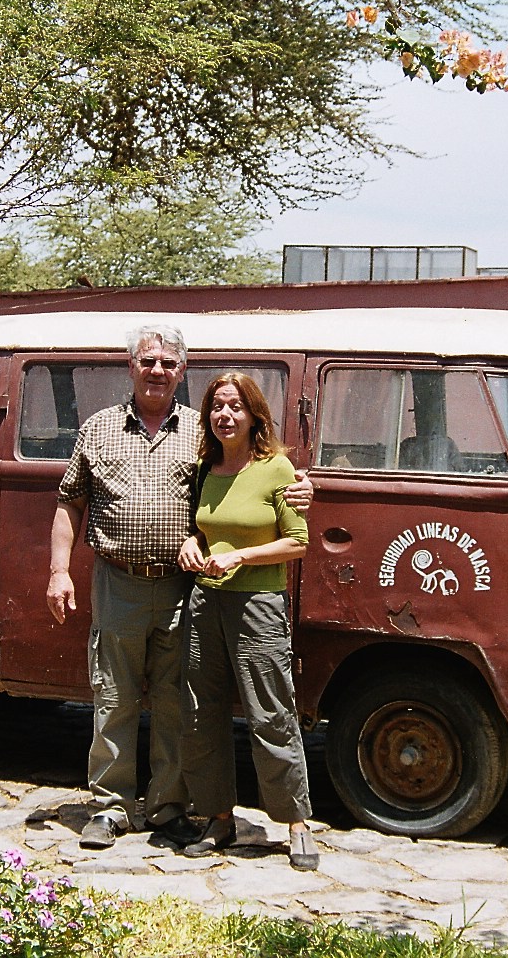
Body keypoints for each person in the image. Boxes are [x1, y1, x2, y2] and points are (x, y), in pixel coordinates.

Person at [46, 325, 312, 850]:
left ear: (182, 371)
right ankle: (110, 806)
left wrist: (301, 485)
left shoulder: (201, 430)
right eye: (149, 360)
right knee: (114, 695)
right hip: (117, 581)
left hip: (182, 587)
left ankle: (168, 805)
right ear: (131, 366)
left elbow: (244, 475)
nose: (158, 370)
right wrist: (59, 570)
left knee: (177, 702)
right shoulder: (98, 429)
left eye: (169, 362)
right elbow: (68, 501)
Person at [176, 372, 319, 871]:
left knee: (270, 713)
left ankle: (297, 824)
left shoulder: (276, 468)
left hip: (258, 603)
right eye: (217, 406)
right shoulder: (204, 468)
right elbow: (198, 529)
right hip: (204, 604)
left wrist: (241, 557)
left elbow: (298, 542)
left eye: (236, 406)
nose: (225, 415)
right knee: (201, 713)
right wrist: (192, 544)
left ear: (255, 413)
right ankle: (218, 818)